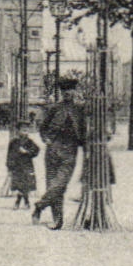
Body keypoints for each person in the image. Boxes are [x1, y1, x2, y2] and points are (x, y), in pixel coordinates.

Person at [32, 80, 84, 230]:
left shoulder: (79, 109)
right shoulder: (54, 108)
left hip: (70, 150)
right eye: (64, 90)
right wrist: (46, 139)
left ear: (75, 91)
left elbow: (84, 129)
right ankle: (58, 220)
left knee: (60, 183)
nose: (67, 93)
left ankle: (39, 206)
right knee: (52, 183)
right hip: (53, 150)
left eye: (70, 90)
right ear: (61, 92)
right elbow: (43, 127)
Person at [5, 122, 40, 209]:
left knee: (25, 185)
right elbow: (9, 155)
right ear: (18, 131)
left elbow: (36, 150)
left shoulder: (30, 142)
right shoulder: (14, 142)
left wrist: (27, 152)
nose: (25, 131)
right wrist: (9, 166)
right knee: (20, 185)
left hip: (27, 166)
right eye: (22, 129)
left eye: (26, 130)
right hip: (17, 166)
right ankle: (25, 203)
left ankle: (19, 202)